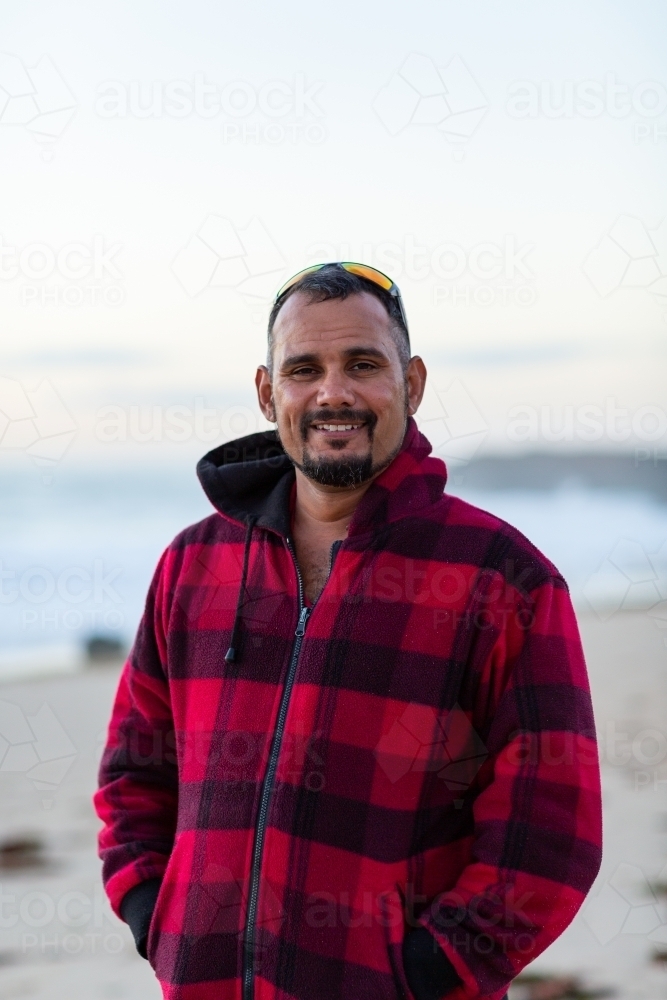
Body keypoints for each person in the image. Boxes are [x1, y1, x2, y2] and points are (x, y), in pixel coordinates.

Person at [95, 262, 603, 1000]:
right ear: (269, 393)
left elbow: (552, 829)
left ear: (412, 382)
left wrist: (429, 972)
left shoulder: (501, 578)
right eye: (305, 369)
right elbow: (135, 769)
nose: (333, 392)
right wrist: (152, 911)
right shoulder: (192, 564)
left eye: (362, 364)